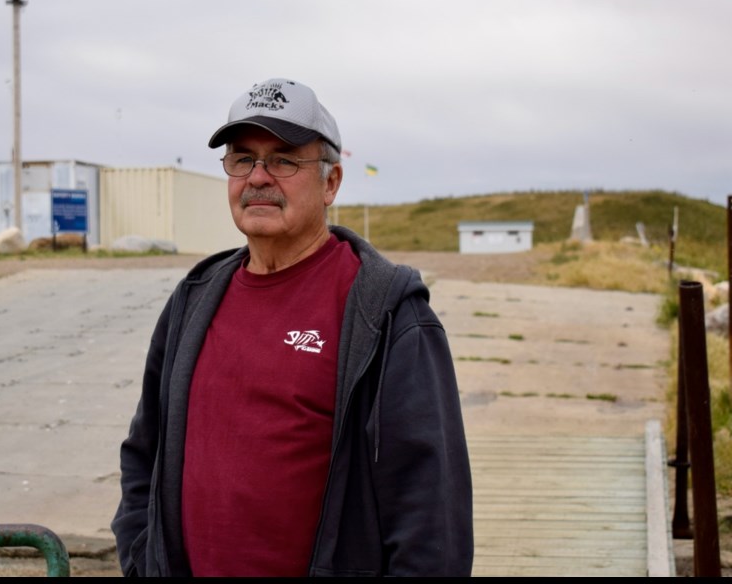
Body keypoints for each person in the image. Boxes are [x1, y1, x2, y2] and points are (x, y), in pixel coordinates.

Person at [110, 77, 473, 577]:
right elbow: (142, 455)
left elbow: (432, 518)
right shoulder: (193, 300)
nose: (258, 177)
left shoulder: (385, 313)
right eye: (242, 159)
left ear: (330, 183)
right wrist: (141, 559)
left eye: (283, 159)